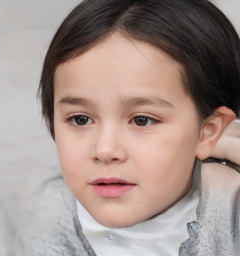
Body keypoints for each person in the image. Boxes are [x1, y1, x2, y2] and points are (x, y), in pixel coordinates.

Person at [35, 0, 240, 255]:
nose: (106, 150)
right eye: (80, 119)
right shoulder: (24, 231)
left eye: (142, 120)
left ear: (208, 131)